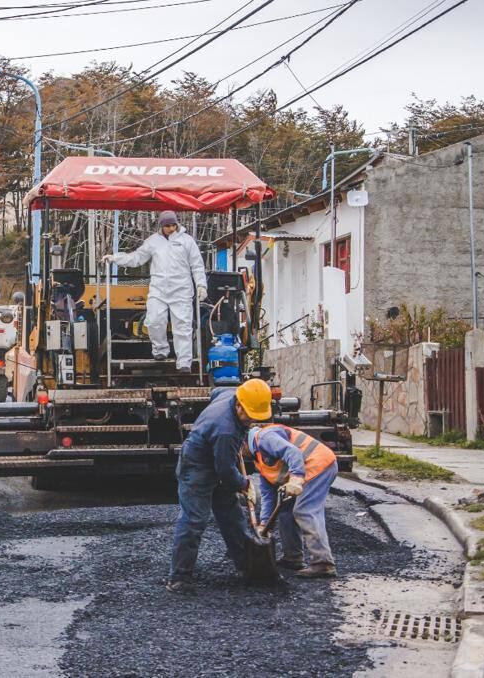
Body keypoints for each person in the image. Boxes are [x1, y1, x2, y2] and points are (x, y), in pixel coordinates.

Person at [167, 378, 273, 592]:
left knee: (231, 514)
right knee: (194, 520)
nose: (251, 422)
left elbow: (215, 392)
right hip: (196, 466)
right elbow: (225, 469)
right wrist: (244, 484)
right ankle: (179, 577)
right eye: (249, 416)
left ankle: (248, 566)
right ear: (239, 405)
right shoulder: (226, 430)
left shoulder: (230, 393)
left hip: (216, 455)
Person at [102, 210, 207, 373]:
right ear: (161, 226)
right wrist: (115, 258)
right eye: (167, 226)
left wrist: (201, 285)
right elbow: (136, 258)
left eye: (173, 225)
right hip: (159, 290)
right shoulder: (153, 242)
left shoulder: (187, 241)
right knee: (153, 321)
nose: (171, 229)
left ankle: (184, 362)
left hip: (182, 290)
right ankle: (160, 350)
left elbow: (197, 265)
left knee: (183, 326)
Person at [248, 423, 339, 578]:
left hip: (318, 464)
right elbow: (268, 495)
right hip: (306, 470)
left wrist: (296, 477)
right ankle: (293, 558)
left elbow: (293, 452)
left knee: (304, 510)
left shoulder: (264, 437)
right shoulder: (258, 458)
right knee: (285, 512)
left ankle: (323, 563)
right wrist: (264, 524)